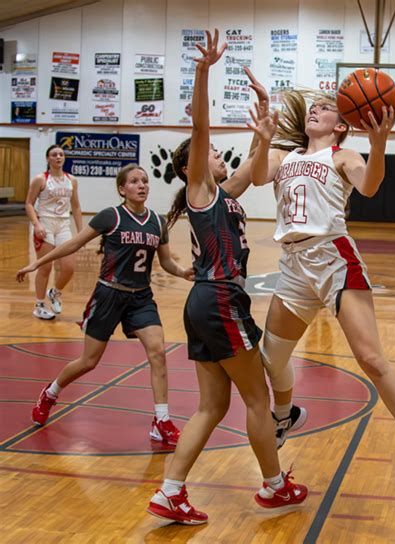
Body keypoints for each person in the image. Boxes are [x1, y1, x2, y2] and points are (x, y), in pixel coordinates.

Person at [146, 30, 307, 526]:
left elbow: (253, 171)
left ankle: (171, 492)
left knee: (211, 407)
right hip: (218, 300)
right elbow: (199, 128)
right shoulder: (199, 185)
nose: (219, 156)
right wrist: (202, 72)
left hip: (205, 302)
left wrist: (264, 129)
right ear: (195, 163)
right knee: (256, 400)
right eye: (214, 152)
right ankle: (275, 486)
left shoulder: (224, 195)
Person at [247, 88, 395, 485]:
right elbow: (256, 177)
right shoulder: (284, 157)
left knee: (370, 358)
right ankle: (285, 415)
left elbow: (369, 186)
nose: (315, 110)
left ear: (340, 125)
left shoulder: (342, 156)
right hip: (294, 264)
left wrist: (379, 142)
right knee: (270, 358)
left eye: (325, 108)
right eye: (313, 107)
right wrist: (264, 136)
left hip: (333, 258)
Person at [17, 163, 193, 446]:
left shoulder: (157, 222)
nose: (142, 185)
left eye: (145, 181)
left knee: (158, 352)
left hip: (141, 297)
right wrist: (36, 263)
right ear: (122, 189)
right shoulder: (110, 216)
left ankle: (161, 420)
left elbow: (167, 262)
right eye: (135, 181)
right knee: (89, 361)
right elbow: (73, 244)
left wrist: (183, 271)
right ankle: (50, 393)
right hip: (108, 295)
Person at [25, 145, 83, 320]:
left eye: (61, 154)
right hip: (45, 224)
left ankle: (55, 292)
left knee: (69, 267)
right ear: (48, 158)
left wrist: (81, 232)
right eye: (54, 154)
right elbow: (28, 204)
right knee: (45, 267)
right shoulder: (40, 179)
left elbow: (76, 206)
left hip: (63, 225)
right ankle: (39, 305)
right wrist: (37, 224)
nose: (58, 157)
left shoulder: (71, 180)